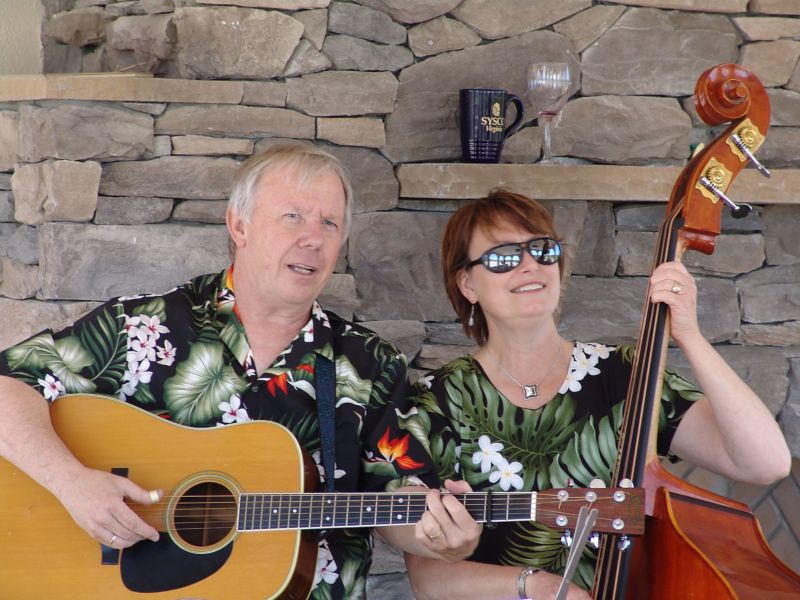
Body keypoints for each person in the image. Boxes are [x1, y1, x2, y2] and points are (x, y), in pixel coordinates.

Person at [0, 143, 481, 599]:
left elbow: (396, 503)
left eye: (330, 223)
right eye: (293, 216)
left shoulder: (369, 363)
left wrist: (442, 536)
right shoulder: (141, 327)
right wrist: (72, 483)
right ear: (240, 225)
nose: (313, 238)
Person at [403, 188, 792, 600]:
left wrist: (689, 335)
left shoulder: (624, 374)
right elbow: (428, 579)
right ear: (467, 284)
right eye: (503, 257)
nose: (530, 265)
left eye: (543, 250)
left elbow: (765, 463)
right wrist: (544, 589)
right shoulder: (439, 399)